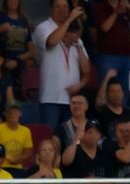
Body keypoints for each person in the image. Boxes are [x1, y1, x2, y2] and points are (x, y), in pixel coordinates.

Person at [33, 1, 89, 129]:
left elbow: (86, 70)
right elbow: (51, 42)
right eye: (58, 6)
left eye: (65, 6)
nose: (62, 9)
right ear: (51, 8)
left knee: (69, 141)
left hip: (72, 101)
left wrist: (78, 45)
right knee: (50, 140)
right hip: (50, 97)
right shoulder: (44, 27)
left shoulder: (74, 36)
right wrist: (69, 19)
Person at [91, 0, 130, 85]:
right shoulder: (100, 7)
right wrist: (116, 12)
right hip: (108, 56)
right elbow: (105, 28)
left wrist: (129, 7)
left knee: (128, 88)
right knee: (108, 88)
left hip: (127, 56)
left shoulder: (125, 6)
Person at [0, 102, 33, 171]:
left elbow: (28, 153)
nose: (12, 114)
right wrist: (8, 159)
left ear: (20, 114)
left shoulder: (26, 131)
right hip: (0, 167)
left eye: (15, 111)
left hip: (18, 167)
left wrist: (16, 159)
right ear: (5, 114)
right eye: (9, 112)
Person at [96, 72, 130, 143]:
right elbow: (99, 102)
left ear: (123, 93)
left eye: (119, 91)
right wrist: (107, 78)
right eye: (112, 91)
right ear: (106, 94)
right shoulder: (102, 113)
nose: (116, 95)